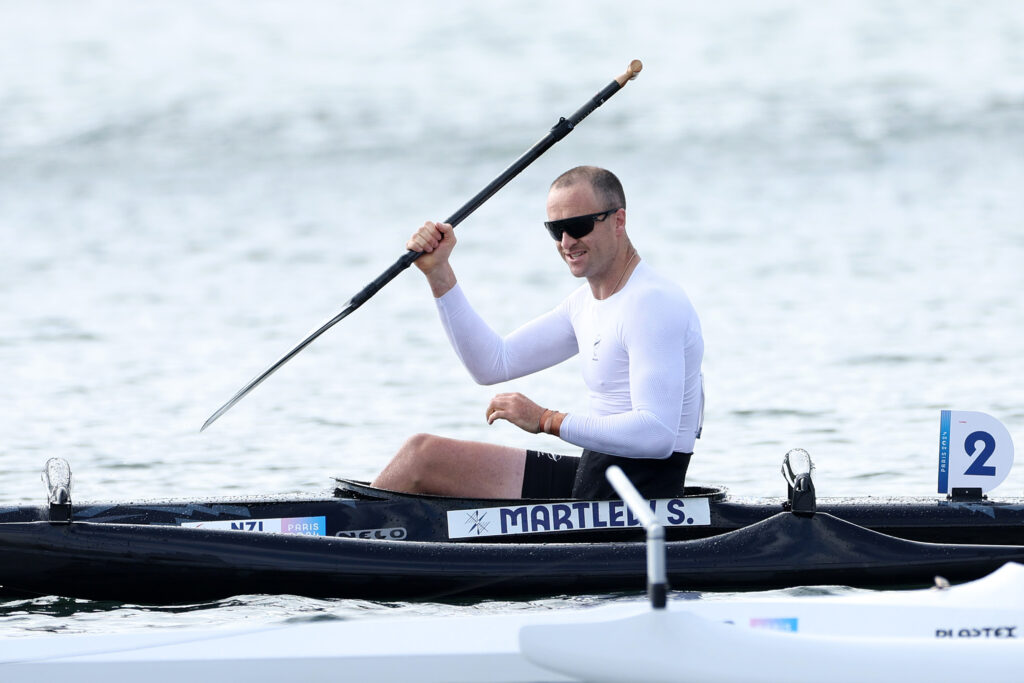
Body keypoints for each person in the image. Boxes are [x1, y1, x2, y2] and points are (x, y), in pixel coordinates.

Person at [372, 166, 703, 500]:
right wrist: (439, 273)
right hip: (595, 478)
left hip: (637, 502)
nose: (566, 242)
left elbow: (657, 435)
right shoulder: (583, 305)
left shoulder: (652, 304)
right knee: (422, 456)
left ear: (619, 221)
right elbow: (492, 364)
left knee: (423, 459)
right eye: (555, 230)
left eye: (577, 226)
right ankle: (342, 535)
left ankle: (347, 543)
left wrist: (547, 420)